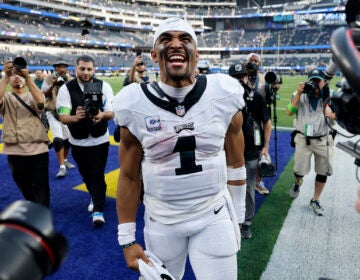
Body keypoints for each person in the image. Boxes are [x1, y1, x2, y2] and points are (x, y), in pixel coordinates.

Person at [113, 17, 247, 280]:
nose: (176, 44)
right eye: (166, 40)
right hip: (161, 219)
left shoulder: (224, 92)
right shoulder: (132, 102)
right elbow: (128, 176)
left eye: (184, 39)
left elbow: (236, 161)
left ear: (195, 54)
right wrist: (127, 240)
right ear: (154, 54)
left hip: (213, 214)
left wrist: (239, 216)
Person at [56, 55, 114, 226]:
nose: (86, 72)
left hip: (100, 139)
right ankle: (95, 195)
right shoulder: (66, 89)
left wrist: (101, 115)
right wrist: (76, 117)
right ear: (76, 68)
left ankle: (98, 209)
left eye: (89, 69)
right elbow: (63, 116)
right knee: (86, 175)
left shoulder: (104, 86)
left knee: (97, 174)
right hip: (78, 140)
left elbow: (111, 112)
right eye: (82, 68)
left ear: (94, 69)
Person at [229, 63, 272, 239]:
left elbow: (266, 122)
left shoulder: (257, 98)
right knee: (228, 188)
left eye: (242, 77)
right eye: (235, 78)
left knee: (248, 188)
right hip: (229, 153)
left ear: (247, 78)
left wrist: (266, 146)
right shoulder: (223, 99)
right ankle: (231, 221)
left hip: (251, 150)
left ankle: (246, 223)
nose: (239, 81)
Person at [286, 69, 336, 216]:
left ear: (324, 82)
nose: (314, 84)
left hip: (323, 139)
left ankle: (315, 199)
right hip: (303, 139)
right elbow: (289, 112)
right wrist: (299, 93)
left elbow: (342, 116)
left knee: (323, 171)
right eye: (312, 81)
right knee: (299, 170)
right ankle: (297, 182)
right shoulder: (298, 95)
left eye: (317, 81)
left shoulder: (331, 95)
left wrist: (332, 114)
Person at [0, 60, 50, 207]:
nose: (16, 77)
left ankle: (42, 212)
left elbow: (41, 103)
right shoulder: (6, 97)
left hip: (37, 148)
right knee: (22, 182)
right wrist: (5, 75)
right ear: (8, 80)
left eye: (19, 74)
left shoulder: (31, 94)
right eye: (13, 75)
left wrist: (29, 79)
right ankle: (34, 205)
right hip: (15, 149)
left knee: (41, 185)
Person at [42, 60, 76, 178]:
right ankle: (62, 167)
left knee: (68, 140)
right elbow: (44, 95)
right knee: (58, 139)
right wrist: (53, 84)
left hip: (65, 113)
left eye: (64, 67)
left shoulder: (70, 79)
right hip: (52, 112)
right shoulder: (48, 78)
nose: (62, 69)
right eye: (59, 67)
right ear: (55, 68)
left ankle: (65, 159)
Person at [246, 52, 270, 195]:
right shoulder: (238, 77)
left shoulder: (264, 80)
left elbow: (268, 102)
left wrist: (273, 91)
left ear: (259, 64)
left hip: (256, 123)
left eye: (256, 61)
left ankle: (258, 181)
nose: (253, 62)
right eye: (251, 60)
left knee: (258, 153)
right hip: (240, 122)